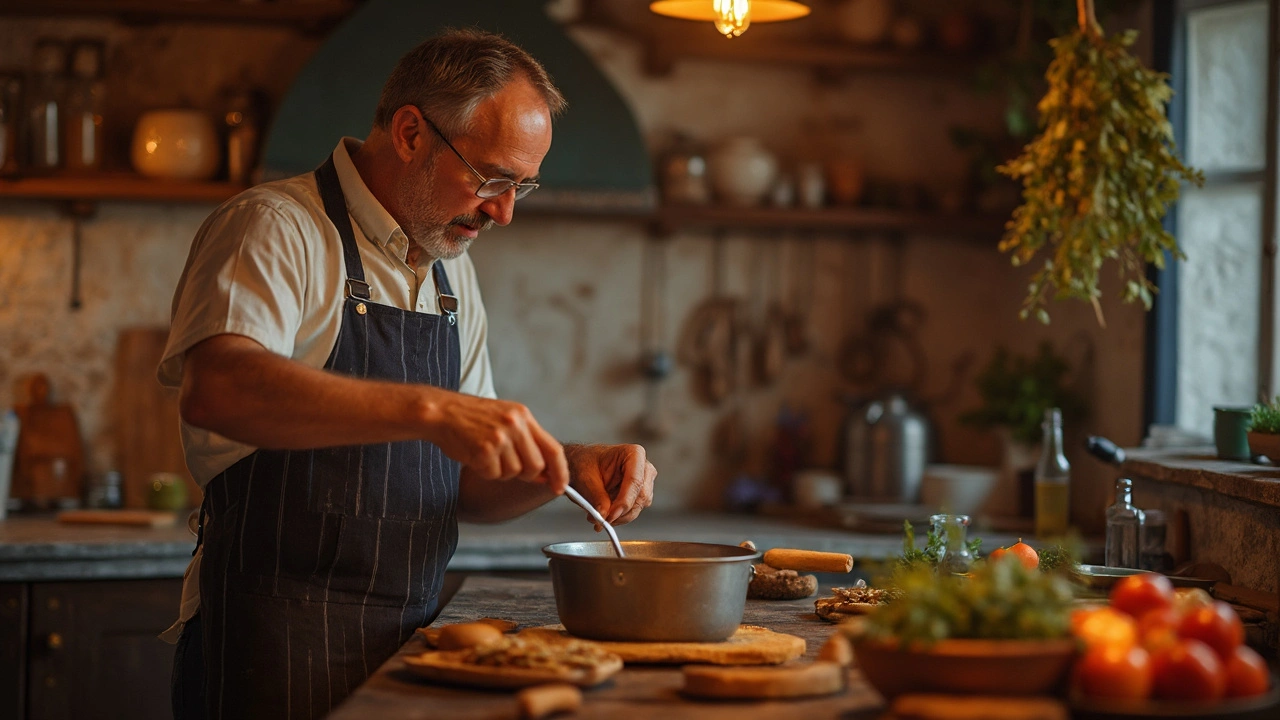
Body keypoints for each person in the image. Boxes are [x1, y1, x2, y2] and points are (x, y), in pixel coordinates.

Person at [160, 28, 657, 720]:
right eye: (490, 179)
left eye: (523, 187)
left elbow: (468, 485)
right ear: (410, 133)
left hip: (411, 649)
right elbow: (220, 388)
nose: (504, 212)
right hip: (271, 645)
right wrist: (431, 409)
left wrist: (569, 468)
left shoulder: (451, 272)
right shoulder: (276, 227)